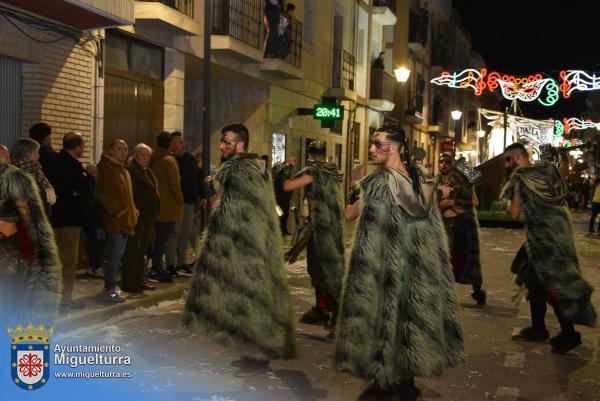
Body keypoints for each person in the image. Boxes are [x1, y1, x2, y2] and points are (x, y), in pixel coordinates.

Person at [336, 126, 464, 400]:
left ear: (393, 148)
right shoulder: (420, 182)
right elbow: (352, 214)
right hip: (417, 273)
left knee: (384, 319)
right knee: (410, 322)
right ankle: (405, 379)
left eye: (376, 144)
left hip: (383, 269)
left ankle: (384, 381)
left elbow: (361, 225)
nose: (371, 149)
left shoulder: (381, 186)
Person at [183, 123, 296, 376]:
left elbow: (237, 213)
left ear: (241, 144)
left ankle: (257, 357)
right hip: (254, 244)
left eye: (228, 142)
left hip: (248, 247)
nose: (223, 146)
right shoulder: (254, 167)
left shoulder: (240, 169)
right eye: (222, 141)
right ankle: (251, 353)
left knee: (251, 302)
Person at [503, 143, 596, 354]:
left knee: (553, 286)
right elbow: (562, 194)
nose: (507, 164)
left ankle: (569, 333)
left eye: (509, 159)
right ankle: (539, 329)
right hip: (560, 237)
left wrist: (509, 206)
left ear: (517, 157)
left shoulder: (520, 178)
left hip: (541, 241)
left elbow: (515, 211)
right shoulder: (549, 170)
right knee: (535, 282)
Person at [283, 141, 344, 327]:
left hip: (319, 228)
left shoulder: (312, 172)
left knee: (317, 268)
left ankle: (325, 308)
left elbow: (287, 186)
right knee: (331, 268)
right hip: (335, 227)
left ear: (310, 155)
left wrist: (288, 168)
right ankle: (329, 308)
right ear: (325, 154)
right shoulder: (334, 173)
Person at [0, 145, 61, 325]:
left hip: (9, 242)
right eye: (6, 156)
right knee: (10, 289)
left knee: (10, 287)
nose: (9, 160)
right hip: (8, 242)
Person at [437, 153, 486, 306]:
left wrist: (451, 201)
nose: (443, 164)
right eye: (441, 161)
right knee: (446, 259)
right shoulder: (437, 180)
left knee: (469, 260)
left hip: (464, 225)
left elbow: (475, 196)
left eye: (447, 161)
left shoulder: (462, 176)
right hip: (446, 224)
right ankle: (445, 294)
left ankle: (478, 292)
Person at [52, 132, 92, 311]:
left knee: (60, 258)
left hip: (57, 217)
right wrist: (90, 176)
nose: (83, 149)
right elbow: (82, 188)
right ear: (76, 147)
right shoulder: (72, 165)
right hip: (70, 218)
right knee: (69, 260)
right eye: (82, 145)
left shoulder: (56, 161)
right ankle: (64, 299)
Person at [96, 139, 138, 302]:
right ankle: (109, 288)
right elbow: (103, 193)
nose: (123, 151)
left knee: (118, 255)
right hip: (115, 221)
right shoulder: (108, 169)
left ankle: (112, 286)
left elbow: (128, 195)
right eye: (119, 148)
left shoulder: (124, 170)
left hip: (126, 220)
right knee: (115, 255)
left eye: (126, 148)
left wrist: (133, 210)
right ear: (111, 151)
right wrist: (118, 211)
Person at [121, 143, 160, 294]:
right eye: (142, 155)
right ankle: (129, 282)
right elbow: (130, 193)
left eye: (148, 156)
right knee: (133, 251)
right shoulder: (131, 171)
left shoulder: (148, 171)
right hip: (138, 217)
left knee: (142, 251)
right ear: (136, 155)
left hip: (149, 218)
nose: (145, 158)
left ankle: (139, 280)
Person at [149, 131, 183, 283]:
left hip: (155, 206)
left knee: (156, 240)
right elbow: (174, 186)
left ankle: (155, 267)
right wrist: (180, 201)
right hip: (168, 207)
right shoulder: (169, 161)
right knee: (162, 241)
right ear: (169, 144)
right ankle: (158, 269)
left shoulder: (152, 158)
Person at [166, 132, 200, 277]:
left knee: (185, 235)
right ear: (172, 145)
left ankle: (181, 263)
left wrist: (201, 196)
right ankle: (171, 264)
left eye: (183, 141)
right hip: (177, 203)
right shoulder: (170, 161)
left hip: (190, 202)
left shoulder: (189, 159)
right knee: (174, 235)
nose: (183, 144)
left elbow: (197, 178)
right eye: (179, 142)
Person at [11, 138, 56, 215]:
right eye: (35, 153)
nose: (38, 156)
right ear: (26, 154)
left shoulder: (35, 169)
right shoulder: (18, 172)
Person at [274, 157, 297, 235]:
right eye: (295, 162)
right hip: (283, 196)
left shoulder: (283, 170)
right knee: (283, 214)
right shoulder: (288, 170)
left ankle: (282, 230)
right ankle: (282, 230)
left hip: (280, 195)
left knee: (282, 214)